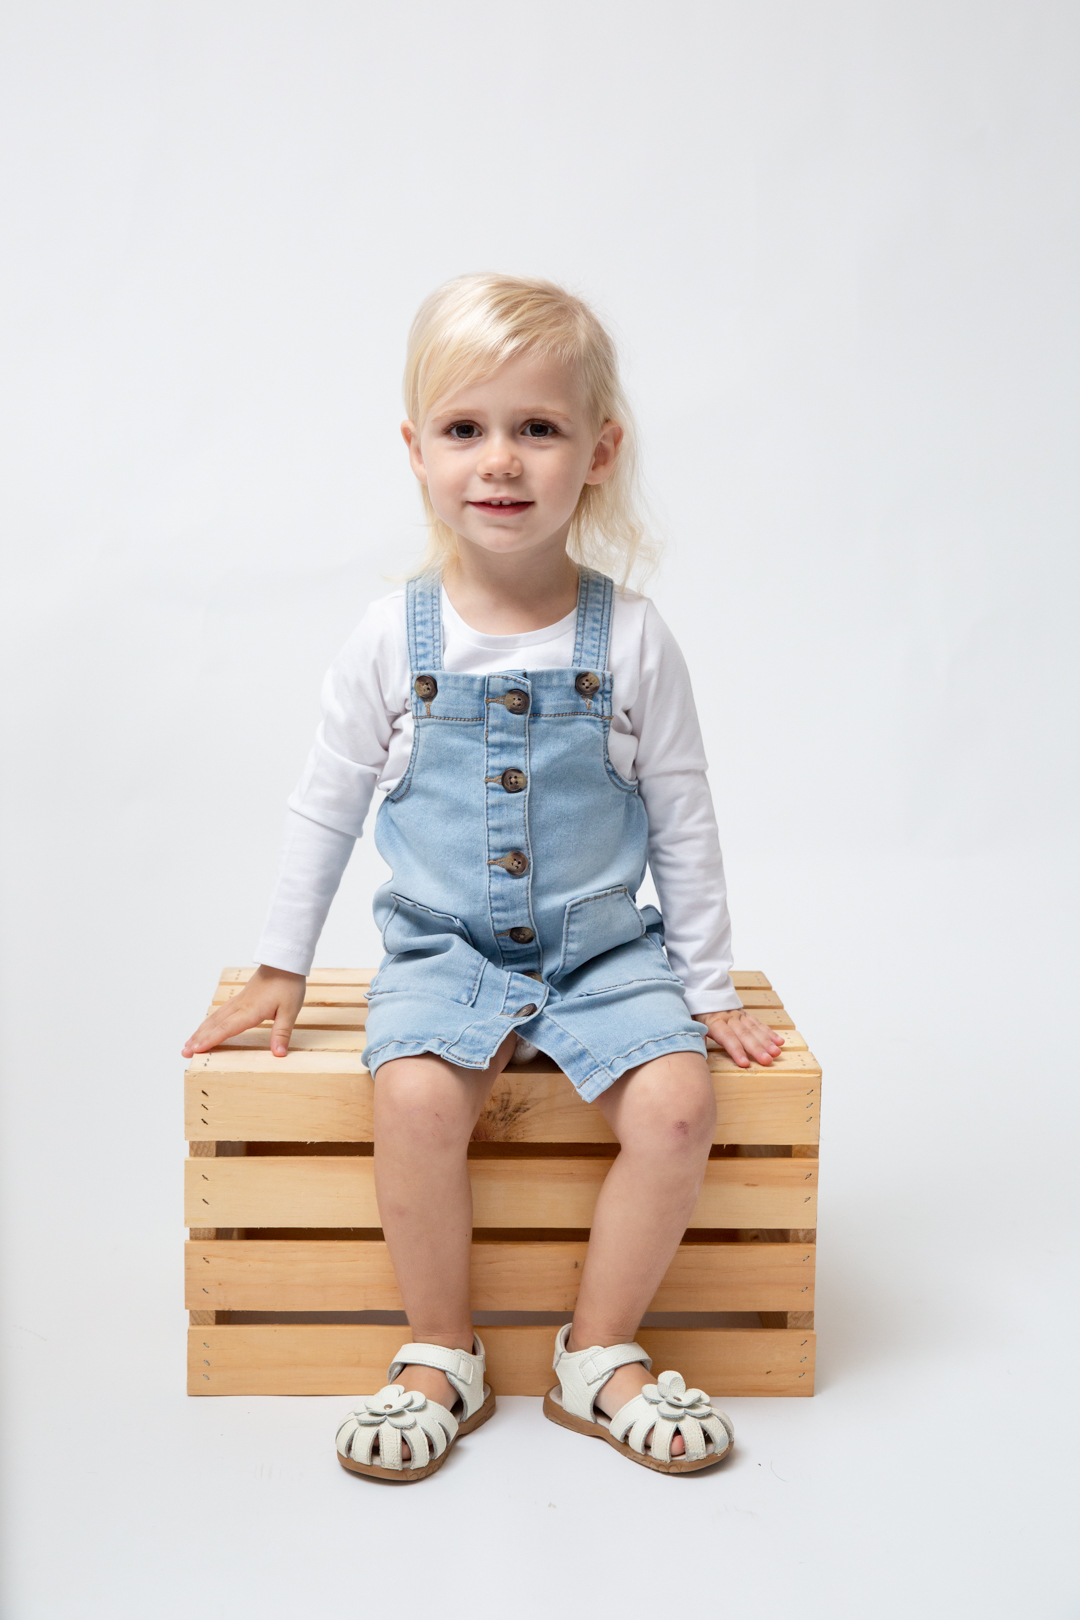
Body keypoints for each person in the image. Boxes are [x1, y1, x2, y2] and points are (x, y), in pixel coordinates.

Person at [183, 273, 783, 1480]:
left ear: (598, 451)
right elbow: (326, 807)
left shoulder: (633, 639)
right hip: (444, 949)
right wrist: (278, 967)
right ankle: (439, 1353)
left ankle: (599, 1350)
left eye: (538, 428)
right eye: (466, 429)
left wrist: (707, 984)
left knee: (675, 1108)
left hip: (604, 950)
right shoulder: (387, 638)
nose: (499, 461)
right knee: (411, 1102)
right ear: (416, 451)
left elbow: (683, 816)